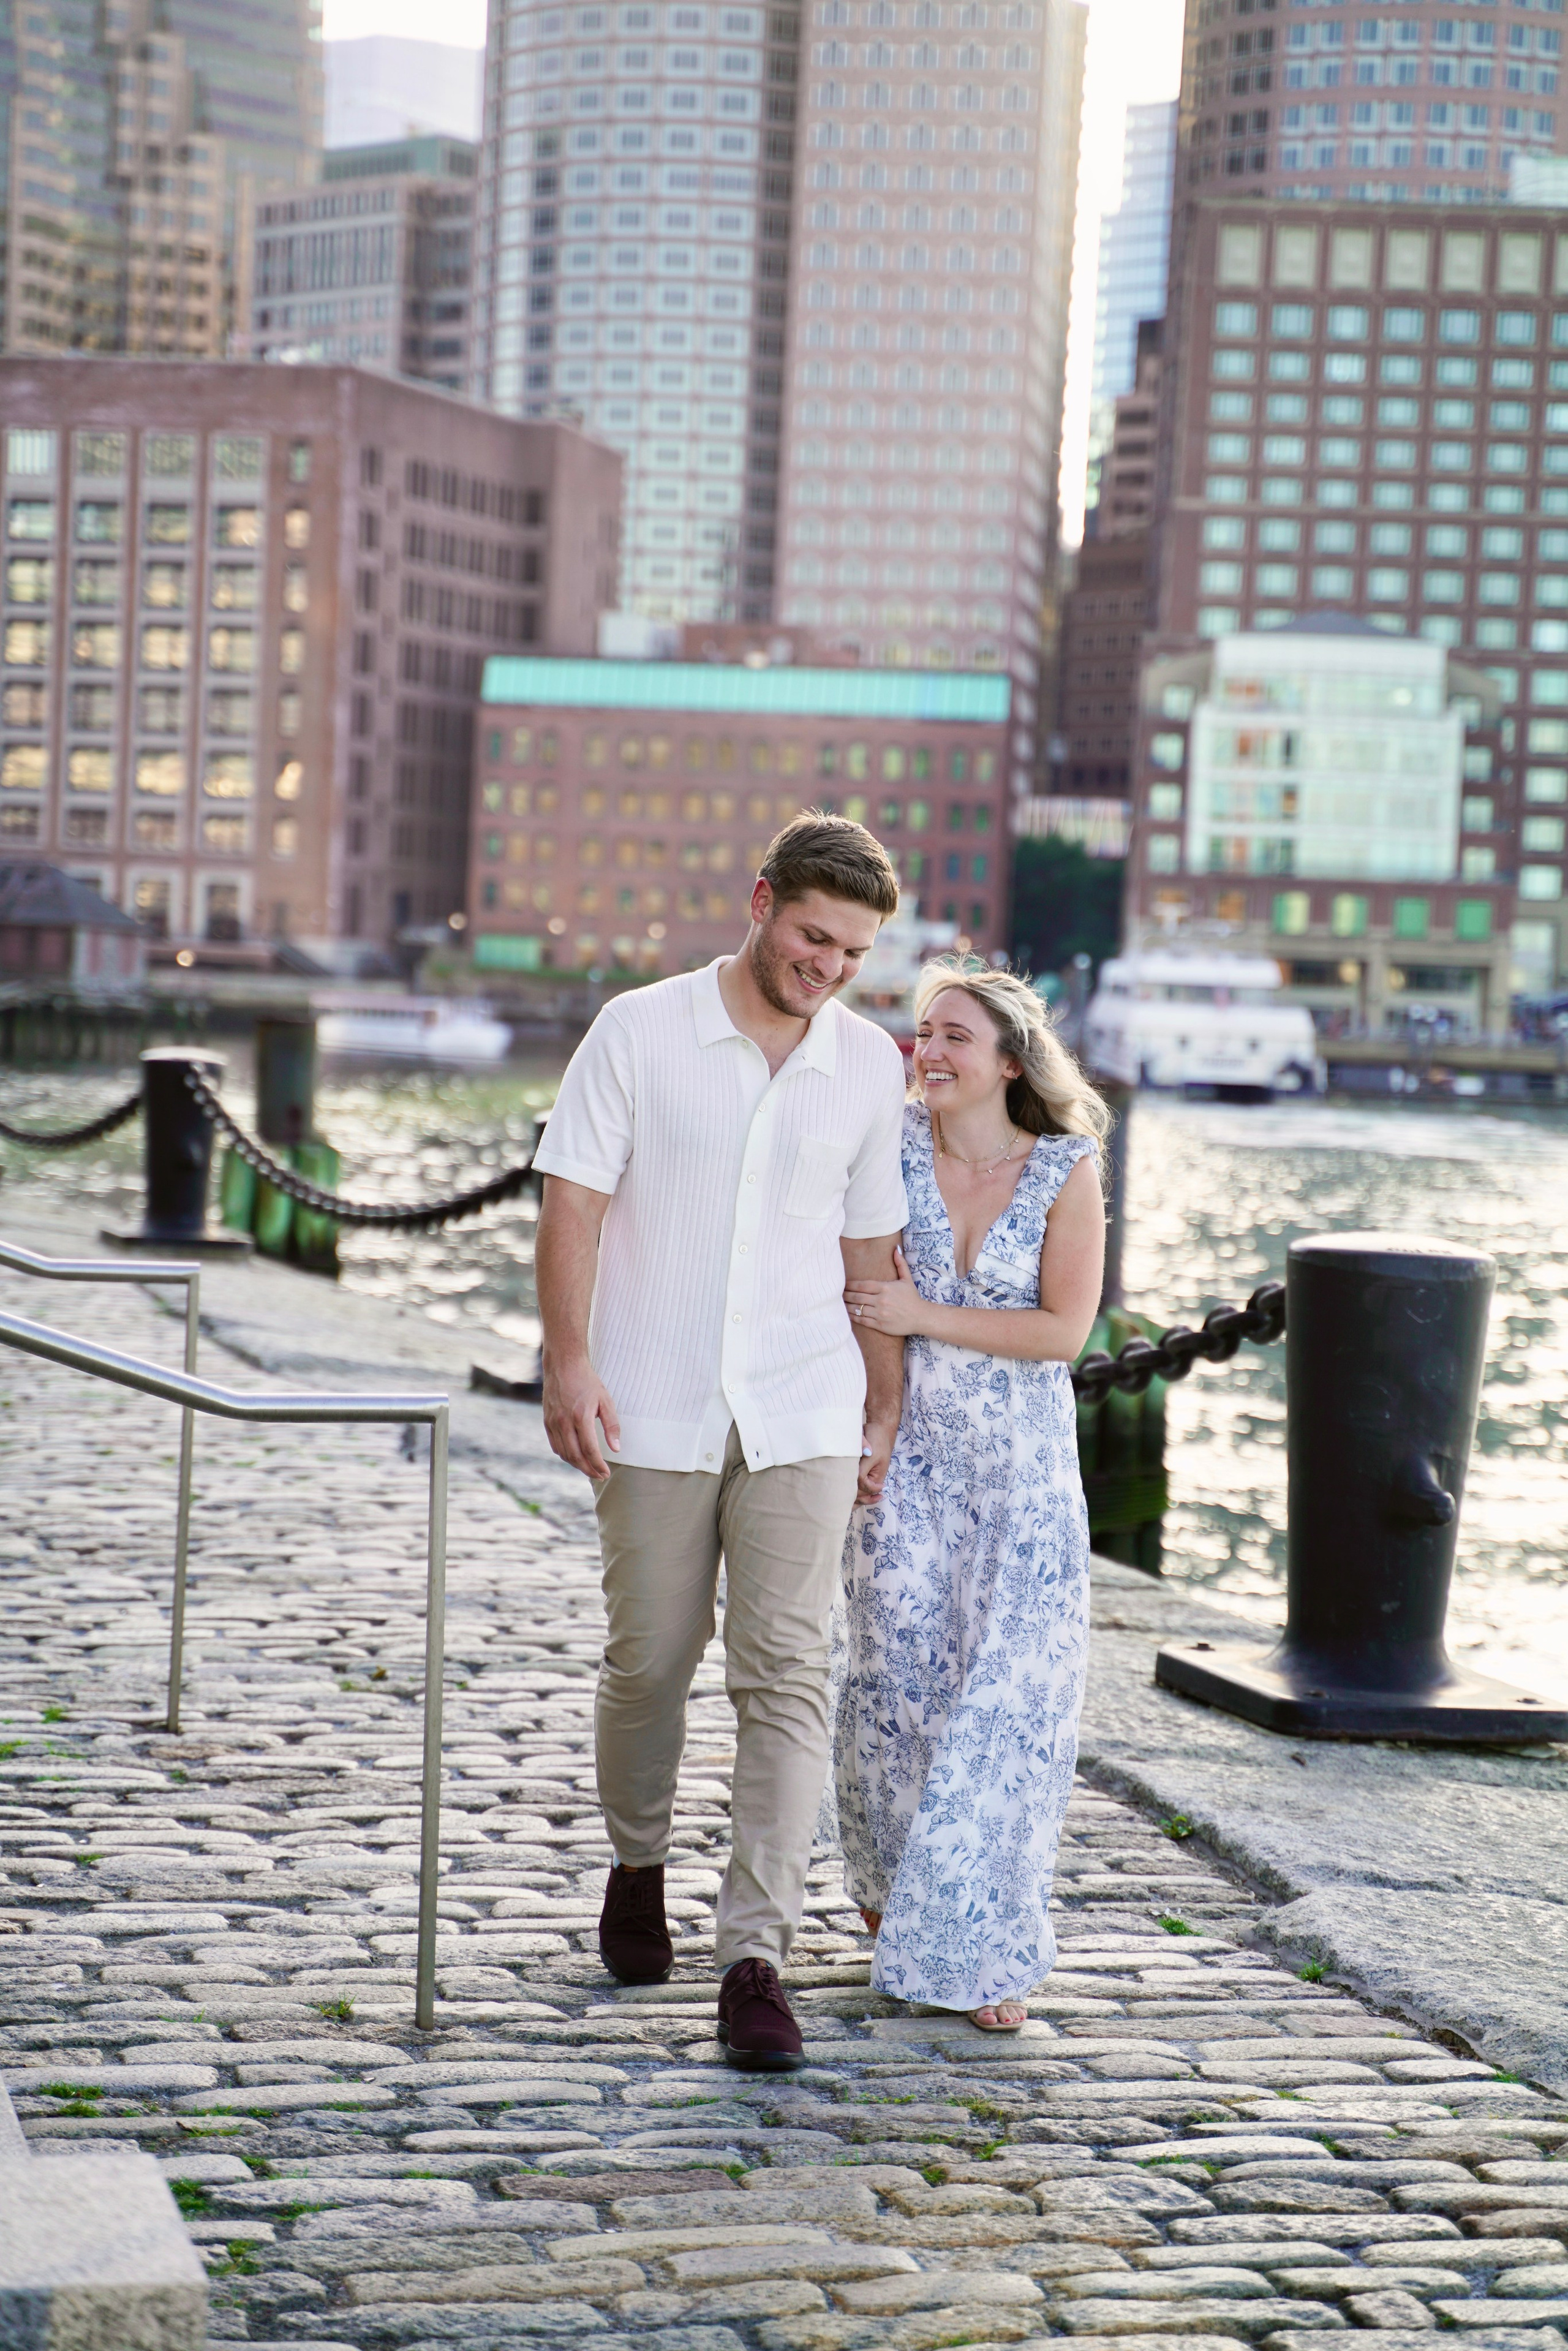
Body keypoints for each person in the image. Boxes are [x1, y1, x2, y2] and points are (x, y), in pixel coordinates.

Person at [532, 812, 908, 2072]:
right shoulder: (637, 1030)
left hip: (800, 1402)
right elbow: (572, 1202)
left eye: (852, 951)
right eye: (813, 935)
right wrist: (568, 1357)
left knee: (786, 1671)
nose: (829, 965)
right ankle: (636, 1858)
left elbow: (867, 1255)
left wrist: (883, 1399)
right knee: (649, 1657)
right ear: (759, 902)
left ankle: (756, 1955)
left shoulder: (865, 1066)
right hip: (651, 1396)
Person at [835, 959, 1109, 2031]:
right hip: (904, 1460)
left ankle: (986, 1944)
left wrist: (917, 1309)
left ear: (1008, 1059)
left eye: (955, 1035)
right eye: (923, 1032)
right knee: (894, 1681)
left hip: (1023, 1482)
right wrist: (875, 1405)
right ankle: (893, 1893)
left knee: (1008, 1708)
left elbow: (1060, 1333)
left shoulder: (1064, 1170)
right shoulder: (890, 1146)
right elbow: (855, 1290)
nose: (931, 1051)